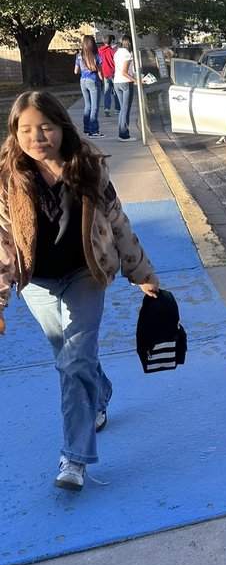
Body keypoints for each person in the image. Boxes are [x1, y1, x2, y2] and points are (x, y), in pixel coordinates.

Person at [0, 91, 159, 491]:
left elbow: (117, 220)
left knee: (72, 362)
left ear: (62, 128)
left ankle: (74, 459)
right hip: (36, 282)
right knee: (71, 358)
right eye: (27, 129)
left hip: (85, 275)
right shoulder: (8, 179)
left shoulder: (88, 168)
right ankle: (101, 391)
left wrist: (140, 271)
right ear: (15, 134)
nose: (37, 137)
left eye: (46, 127)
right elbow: (3, 240)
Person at [74, 35, 104, 137]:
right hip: (93, 80)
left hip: (83, 81)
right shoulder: (96, 55)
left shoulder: (79, 55)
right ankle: (93, 130)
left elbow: (75, 71)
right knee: (95, 107)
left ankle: (86, 129)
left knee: (87, 106)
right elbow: (100, 72)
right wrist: (103, 81)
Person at [113, 34, 138, 141]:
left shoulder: (117, 52)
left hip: (117, 82)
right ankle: (124, 134)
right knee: (125, 109)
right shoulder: (128, 54)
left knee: (123, 109)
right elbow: (125, 72)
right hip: (126, 83)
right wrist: (136, 81)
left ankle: (122, 132)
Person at [98, 34, 117, 117]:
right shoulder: (112, 51)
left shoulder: (99, 51)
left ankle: (106, 108)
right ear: (111, 41)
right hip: (113, 72)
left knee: (107, 91)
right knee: (116, 91)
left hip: (104, 73)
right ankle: (117, 109)